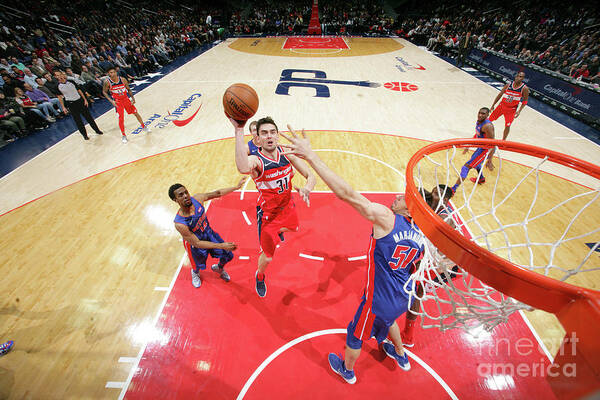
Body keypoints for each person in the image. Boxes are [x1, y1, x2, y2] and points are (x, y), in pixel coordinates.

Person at [278, 127, 425, 383]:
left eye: (405, 197)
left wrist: (311, 156)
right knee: (389, 320)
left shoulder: (388, 219)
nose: (400, 195)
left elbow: (346, 194)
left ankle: (347, 370)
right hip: (403, 297)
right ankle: (400, 354)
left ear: (410, 208)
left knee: (355, 333)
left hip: (376, 301)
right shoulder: (422, 235)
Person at [231, 116, 316, 297]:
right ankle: (259, 275)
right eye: (264, 133)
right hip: (269, 214)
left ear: (277, 135)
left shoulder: (286, 152)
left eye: (272, 132)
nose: (269, 136)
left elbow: (311, 174)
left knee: (294, 227)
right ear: (258, 139)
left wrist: (308, 188)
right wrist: (238, 131)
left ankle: (279, 232)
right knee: (268, 256)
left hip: (288, 206)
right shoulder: (256, 160)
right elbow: (242, 167)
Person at [401, 184, 459, 347]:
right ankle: (407, 333)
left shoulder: (445, 219)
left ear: (446, 201)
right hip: (432, 256)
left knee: (416, 292)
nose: (434, 193)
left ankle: (408, 336)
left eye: (438, 193)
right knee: (411, 287)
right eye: (434, 190)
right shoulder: (428, 203)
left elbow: (442, 250)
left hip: (444, 264)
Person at [170, 179, 245, 288]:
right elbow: (197, 243)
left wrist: (236, 187)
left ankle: (219, 268)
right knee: (197, 264)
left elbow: (217, 193)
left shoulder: (198, 199)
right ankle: (195, 273)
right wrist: (221, 245)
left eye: (186, 192)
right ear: (175, 199)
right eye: (181, 195)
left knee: (228, 255)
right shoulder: (180, 223)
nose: (186, 196)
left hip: (209, 234)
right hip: (195, 244)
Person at [452, 108, 495, 193]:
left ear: (487, 115)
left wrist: (490, 160)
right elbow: (477, 134)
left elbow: (493, 143)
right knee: (475, 162)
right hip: (481, 148)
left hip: (486, 150)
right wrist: (468, 146)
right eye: (479, 113)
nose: (480, 115)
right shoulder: (479, 121)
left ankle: (453, 189)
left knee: (465, 167)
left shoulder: (487, 126)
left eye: (483, 114)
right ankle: (481, 178)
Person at [103, 66, 150, 144]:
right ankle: (124, 135)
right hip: (118, 102)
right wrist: (111, 101)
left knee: (136, 113)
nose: (113, 74)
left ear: (116, 72)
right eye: (111, 73)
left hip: (126, 99)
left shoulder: (123, 79)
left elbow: (128, 89)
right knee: (121, 119)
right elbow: (104, 92)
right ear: (108, 74)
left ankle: (143, 126)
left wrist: (133, 98)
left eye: (114, 72)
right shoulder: (107, 82)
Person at [56, 71, 103, 140]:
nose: (59, 76)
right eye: (57, 75)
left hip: (80, 101)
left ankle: (97, 130)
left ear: (63, 75)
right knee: (78, 121)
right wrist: (63, 107)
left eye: (60, 74)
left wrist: (85, 99)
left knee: (88, 117)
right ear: (56, 77)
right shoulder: (57, 86)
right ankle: (84, 135)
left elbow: (79, 90)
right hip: (71, 104)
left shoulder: (71, 81)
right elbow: (60, 97)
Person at [489, 72, 529, 140]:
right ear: (515, 76)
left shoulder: (524, 88)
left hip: (511, 110)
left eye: (521, 76)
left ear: (523, 78)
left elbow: (525, 101)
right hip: (502, 106)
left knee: (507, 125)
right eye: (518, 76)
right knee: (489, 120)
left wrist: (519, 111)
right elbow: (500, 94)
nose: (518, 78)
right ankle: (481, 133)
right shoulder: (508, 84)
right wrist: (493, 105)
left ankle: (503, 141)